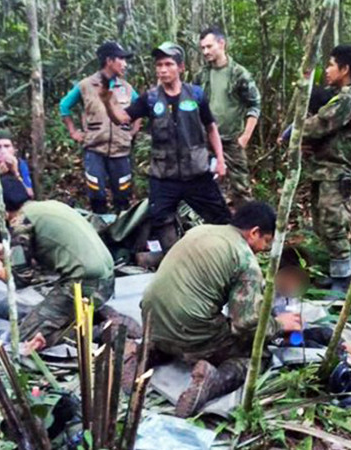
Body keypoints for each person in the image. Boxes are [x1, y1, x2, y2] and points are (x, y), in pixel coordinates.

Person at [139, 202, 302, 417]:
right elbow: (245, 324)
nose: (264, 248)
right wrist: (280, 324)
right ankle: (213, 381)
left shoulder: (200, 231)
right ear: (254, 232)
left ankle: (147, 352)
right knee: (257, 357)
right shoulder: (244, 259)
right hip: (190, 330)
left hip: (150, 319)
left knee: (185, 322)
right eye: (266, 241)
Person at [100, 42, 231, 251]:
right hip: (164, 175)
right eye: (159, 65)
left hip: (197, 173)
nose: (162, 69)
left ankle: (225, 254)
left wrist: (220, 160)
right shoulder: (150, 98)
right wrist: (108, 102)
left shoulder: (196, 95)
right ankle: (174, 256)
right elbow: (122, 118)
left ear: (181, 68)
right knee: (160, 219)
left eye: (168, 64)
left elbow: (211, 127)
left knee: (221, 218)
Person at [0, 180, 118, 347]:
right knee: (44, 318)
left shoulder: (21, 222)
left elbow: (21, 279)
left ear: (2, 211)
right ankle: (91, 321)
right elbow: (50, 252)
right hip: (106, 280)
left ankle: (99, 332)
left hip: (83, 285)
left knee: (23, 339)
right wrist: (9, 253)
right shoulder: (50, 206)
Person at [301, 45, 351, 296]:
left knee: (334, 224)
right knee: (322, 223)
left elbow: (318, 125)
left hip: (339, 171)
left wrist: (294, 131)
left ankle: (343, 281)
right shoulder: (340, 95)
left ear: (345, 69)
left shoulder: (349, 99)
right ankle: (336, 274)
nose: (327, 70)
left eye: (331, 65)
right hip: (326, 169)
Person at [60, 42, 141, 214]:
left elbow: (140, 108)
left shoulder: (126, 88)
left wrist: (133, 131)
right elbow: (64, 106)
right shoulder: (85, 85)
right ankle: (99, 223)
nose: (125, 64)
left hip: (120, 150)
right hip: (94, 148)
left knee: (123, 194)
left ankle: (121, 225)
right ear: (109, 61)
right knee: (96, 193)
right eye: (121, 59)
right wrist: (73, 131)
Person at [195, 26, 261, 210]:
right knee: (207, 187)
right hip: (206, 141)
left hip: (232, 141)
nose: (205, 52)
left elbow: (254, 104)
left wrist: (245, 137)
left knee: (241, 189)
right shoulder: (201, 75)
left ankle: (247, 224)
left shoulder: (239, 74)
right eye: (203, 48)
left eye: (209, 46)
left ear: (221, 44)